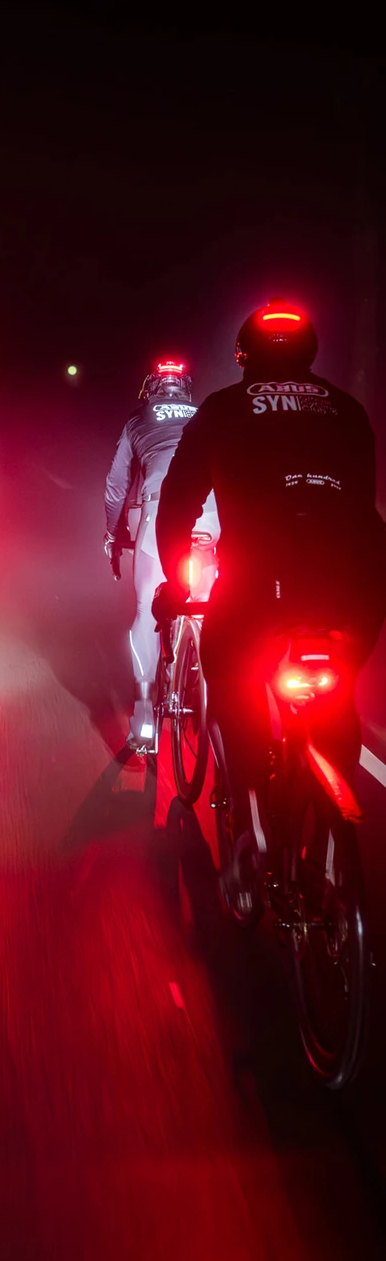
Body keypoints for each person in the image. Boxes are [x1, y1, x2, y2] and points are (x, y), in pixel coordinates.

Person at [154, 297, 386, 898]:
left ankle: (252, 816)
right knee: (338, 697)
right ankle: (329, 846)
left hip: (262, 582)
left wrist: (174, 585)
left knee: (232, 673)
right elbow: (362, 505)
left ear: (244, 356)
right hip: (357, 581)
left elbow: (177, 503)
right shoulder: (348, 409)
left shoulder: (222, 409)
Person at [103, 358, 218, 749]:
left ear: (150, 391)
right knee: (211, 604)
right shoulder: (206, 414)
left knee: (146, 610)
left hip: (159, 510)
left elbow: (117, 486)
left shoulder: (138, 420)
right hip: (213, 512)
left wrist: (113, 533)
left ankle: (144, 716)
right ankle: (213, 689)